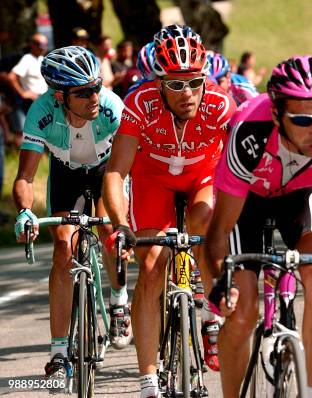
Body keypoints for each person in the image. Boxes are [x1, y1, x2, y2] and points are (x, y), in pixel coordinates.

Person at [205, 55, 312, 398]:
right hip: (248, 202)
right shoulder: (249, 134)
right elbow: (218, 232)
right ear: (276, 114)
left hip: (304, 196)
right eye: (302, 120)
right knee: (242, 311)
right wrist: (220, 286)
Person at [101, 24, 236, 398]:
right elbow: (116, 172)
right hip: (153, 180)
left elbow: (237, 170)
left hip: (202, 176)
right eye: (175, 84)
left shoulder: (221, 104)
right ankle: (147, 380)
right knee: (150, 266)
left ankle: (210, 316)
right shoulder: (140, 103)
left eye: (194, 81)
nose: (187, 93)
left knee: (207, 227)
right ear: (158, 82)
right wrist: (119, 225)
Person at [12, 46, 132, 387]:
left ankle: (119, 299)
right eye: (83, 92)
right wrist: (24, 211)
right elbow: (25, 177)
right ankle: (60, 351)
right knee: (63, 249)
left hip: (107, 171)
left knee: (111, 230)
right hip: (65, 174)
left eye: (96, 86)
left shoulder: (111, 107)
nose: (94, 96)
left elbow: (133, 163)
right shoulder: (41, 113)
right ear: (60, 96)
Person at [7, 33, 49, 145]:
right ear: (33, 45)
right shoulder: (27, 59)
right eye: (41, 44)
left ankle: (40, 156)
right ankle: (21, 157)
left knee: (42, 130)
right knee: (24, 132)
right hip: (30, 102)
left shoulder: (42, 59)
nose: (44, 47)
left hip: (42, 101)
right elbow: (12, 77)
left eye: (45, 44)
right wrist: (23, 93)